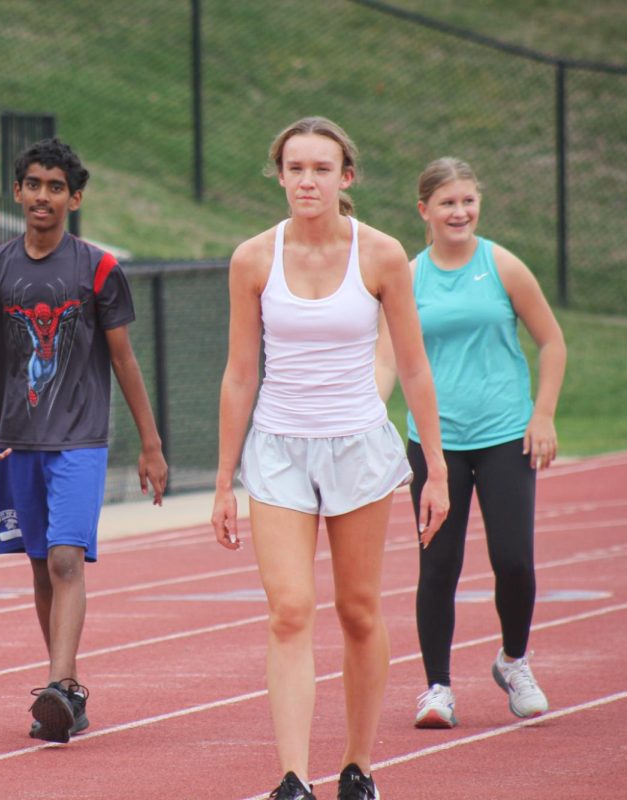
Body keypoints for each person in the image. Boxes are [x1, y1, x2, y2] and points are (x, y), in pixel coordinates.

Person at [210, 117, 449, 800]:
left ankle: (359, 767)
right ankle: (292, 778)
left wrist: (433, 467)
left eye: (321, 169)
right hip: (280, 450)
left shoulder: (381, 256)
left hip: (359, 449)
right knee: (288, 610)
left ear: (345, 178)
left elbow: (414, 366)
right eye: (295, 168)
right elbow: (237, 374)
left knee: (359, 611)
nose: (306, 181)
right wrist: (224, 481)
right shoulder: (253, 258)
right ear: (279, 175)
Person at [0, 137, 168, 744]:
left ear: (74, 199)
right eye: (33, 185)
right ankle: (67, 689)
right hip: (17, 442)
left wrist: (150, 445)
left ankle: (57, 684)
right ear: (17, 191)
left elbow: (125, 361)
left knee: (66, 558)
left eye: (56, 187)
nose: (42, 196)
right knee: (40, 570)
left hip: (80, 439)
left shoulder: (98, 268)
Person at [376, 157, 566, 731]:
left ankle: (513, 660)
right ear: (424, 211)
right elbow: (387, 356)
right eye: (447, 203)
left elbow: (551, 341)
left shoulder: (502, 265)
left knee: (514, 561)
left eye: (468, 201)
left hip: (506, 434)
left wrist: (544, 415)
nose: (459, 212)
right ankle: (437, 688)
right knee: (439, 566)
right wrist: (369, 415)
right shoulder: (408, 276)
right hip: (435, 443)